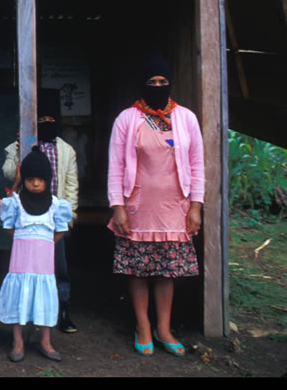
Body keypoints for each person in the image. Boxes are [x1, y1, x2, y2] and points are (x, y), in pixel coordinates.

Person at [107, 53, 204, 357]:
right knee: (138, 270)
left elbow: (197, 164)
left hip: (175, 207)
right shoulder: (127, 118)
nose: (158, 86)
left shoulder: (186, 118)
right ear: (142, 85)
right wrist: (117, 206)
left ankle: (164, 328)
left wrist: (196, 206)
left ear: (171, 83)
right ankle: (143, 326)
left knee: (166, 271)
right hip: (137, 206)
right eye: (152, 82)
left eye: (163, 82)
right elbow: (115, 166)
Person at [2, 89, 80, 333]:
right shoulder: (24, 145)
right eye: (41, 120)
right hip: (27, 218)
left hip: (53, 220)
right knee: (26, 270)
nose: (46, 124)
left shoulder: (66, 150)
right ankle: (26, 314)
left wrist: (67, 221)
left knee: (59, 268)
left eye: (50, 120)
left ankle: (62, 310)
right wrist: (18, 146)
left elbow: (71, 186)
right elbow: (7, 173)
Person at [0, 146, 72, 362]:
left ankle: (45, 341)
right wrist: (23, 239)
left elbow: (61, 230)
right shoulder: (16, 204)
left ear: (48, 180)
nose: (35, 184)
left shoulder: (56, 205)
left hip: (43, 267)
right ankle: (18, 341)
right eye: (30, 179)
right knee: (19, 299)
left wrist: (44, 243)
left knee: (44, 301)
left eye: (40, 179)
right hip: (20, 266)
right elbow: (9, 228)